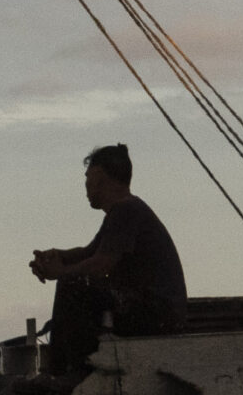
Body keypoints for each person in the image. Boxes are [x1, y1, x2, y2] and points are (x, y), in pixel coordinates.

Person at [29, 144, 188, 379]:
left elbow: (100, 265)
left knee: (73, 284)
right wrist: (58, 256)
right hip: (155, 310)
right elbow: (89, 252)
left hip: (157, 314)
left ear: (100, 177)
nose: (85, 187)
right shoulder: (125, 211)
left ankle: (64, 373)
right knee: (73, 279)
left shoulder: (126, 211)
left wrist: (60, 272)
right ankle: (67, 369)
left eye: (87, 179)